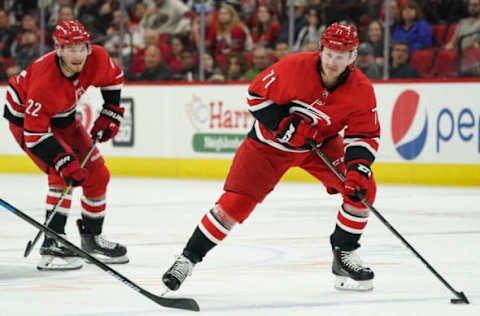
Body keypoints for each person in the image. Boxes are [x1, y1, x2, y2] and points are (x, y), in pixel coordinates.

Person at [162, 23, 380, 292]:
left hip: (318, 147)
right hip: (268, 147)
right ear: (321, 50)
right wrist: (284, 125)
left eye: (342, 55)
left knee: (363, 188)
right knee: (234, 205)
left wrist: (358, 169)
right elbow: (255, 96)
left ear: (353, 57)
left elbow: (364, 135)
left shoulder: (361, 89)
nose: (334, 62)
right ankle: (187, 259)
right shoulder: (293, 67)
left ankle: (344, 254)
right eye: (330, 54)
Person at [3, 20, 129, 271]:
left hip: (64, 116)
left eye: (82, 47)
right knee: (62, 173)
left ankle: (92, 239)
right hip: (26, 122)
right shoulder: (43, 82)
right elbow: (35, 137)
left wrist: (111, 111)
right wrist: (63, 160)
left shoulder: (97, 58)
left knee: (99, 175)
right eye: (71, 49)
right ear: (58, 50)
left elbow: (115, 78)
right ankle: (53, 241)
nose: (78, 54)